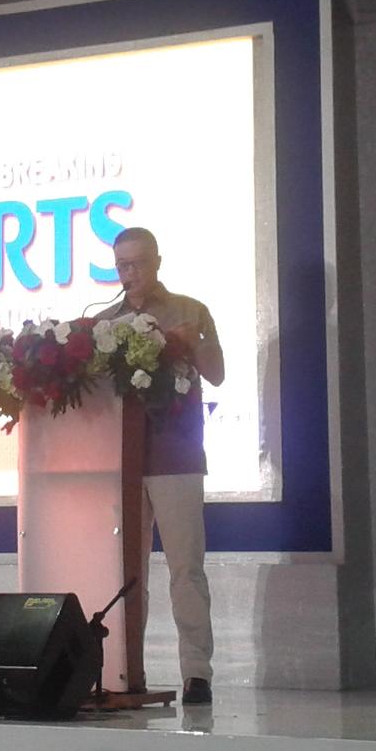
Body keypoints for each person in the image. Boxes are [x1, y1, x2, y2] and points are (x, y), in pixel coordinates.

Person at [99, 226, 223, 705]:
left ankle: (196, 673)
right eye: (122, 266)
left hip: (176, 455)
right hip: (121, 463)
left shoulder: (190, 310)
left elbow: (217, 373)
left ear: (157, 262)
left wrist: (192, 343)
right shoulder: (104, 323)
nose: (130, 273)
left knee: (185, 569)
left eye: (138, 263)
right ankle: (126, 670)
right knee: (126, 574)